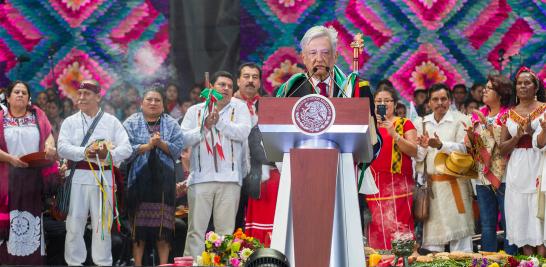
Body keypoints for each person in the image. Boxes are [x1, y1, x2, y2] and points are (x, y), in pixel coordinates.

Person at [57, 80, 132, 266]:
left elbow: (127, 148)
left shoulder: (111, 121)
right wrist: (84, 152)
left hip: (103, 178)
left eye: (86, 94)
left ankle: (103, 263)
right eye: (79, 94)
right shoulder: (70, 122)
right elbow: (62, 148)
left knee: (103, 225)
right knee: (74, 224)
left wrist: (108, 154)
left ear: (98, 97)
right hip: (77, 179)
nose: (81, 97)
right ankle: (74, 263)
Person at [181, 71, 251, 258]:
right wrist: (204, 126)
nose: (226, 89)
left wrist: (219, 123)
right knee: (196, 231)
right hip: (200, 179)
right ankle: (193, 263)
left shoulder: (241, 108)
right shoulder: (195, 110)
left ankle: (223, 263)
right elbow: (183, 139)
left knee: (225, 232)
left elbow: (243, 132)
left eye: (229, 86)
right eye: (222, 85)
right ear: (211, 87)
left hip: (230, 180)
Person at [123, 86, 184, 266]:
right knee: (138, 232)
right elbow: (124, 151)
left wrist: (160, 144)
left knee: (163, 231)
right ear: (141, 103)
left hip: (164, 185)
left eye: (157, 100)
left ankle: (164, 265)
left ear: (163, 106)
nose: (153, 103)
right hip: (138, 185)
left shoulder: (172, 123)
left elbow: (178, 149)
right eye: (149, 99)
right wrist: (147, 146)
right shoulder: (130, 123)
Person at [0, 81, 58, 265]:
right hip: (6, 179)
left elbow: (49, 138)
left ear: (28, 98)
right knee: (8, 221)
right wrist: (10, 158)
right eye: (16, 92)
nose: (20, 95)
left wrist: (50, 147)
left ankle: (31, 261)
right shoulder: (0, 118)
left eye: (24, 92)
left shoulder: (37, 116)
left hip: (33, 178)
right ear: (7, 98)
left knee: (32, 219)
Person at [414, 83, 474, 253]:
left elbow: (465, 151)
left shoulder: (461, 120)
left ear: (449, 100)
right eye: (435, 99)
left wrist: (441, 145)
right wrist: (424, 147)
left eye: (443, 99)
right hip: (432, 188)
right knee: (433, 244)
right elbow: (417, 157)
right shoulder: (422, 123)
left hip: (456, 186)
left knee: (460, 243)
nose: (440, 103)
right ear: (429, 103)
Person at [465, 74, 516, 254]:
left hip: (505, 177)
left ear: (500, 93)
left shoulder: (509, 114)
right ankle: (489, 261)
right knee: (487, 225)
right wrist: (469, 137)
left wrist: (487, 125)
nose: (484, 90)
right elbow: (472, 149)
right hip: (482, 177)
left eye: (489, 88)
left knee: (508, 223)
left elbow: (505, 146)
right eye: (485, 87)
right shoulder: (479, 114)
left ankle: (511, 261)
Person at [501, 67, 546, 256]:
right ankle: (528, 260)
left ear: (536, 87)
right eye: (519, 83)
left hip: (539, 163)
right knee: (520, 212)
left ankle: (542, 260)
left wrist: (536, 132)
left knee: (539, 211)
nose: (523, 86)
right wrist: (517, 137)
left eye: (527, 82)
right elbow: (502, 148)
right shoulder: (508, 114)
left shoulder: (544, 109)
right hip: (517, 167)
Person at [366, 86, 417, 250]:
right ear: (373, 105)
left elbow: (414, 151)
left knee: (401, 225)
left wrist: (394, 133)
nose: (383, 103)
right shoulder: (369, 126)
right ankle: (379, 260)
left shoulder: (404, 123)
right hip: (373, 183)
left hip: (399, 184)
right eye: (378, 101)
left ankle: (403, 260)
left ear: (394, 104)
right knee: (378, 225)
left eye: (387, 100)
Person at [275, 25, 357, 98]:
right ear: (304, 58)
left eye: (325, 53)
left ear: (335, 57)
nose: (319, 59)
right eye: (313, 53)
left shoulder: (353, 89)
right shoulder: (289, 91)